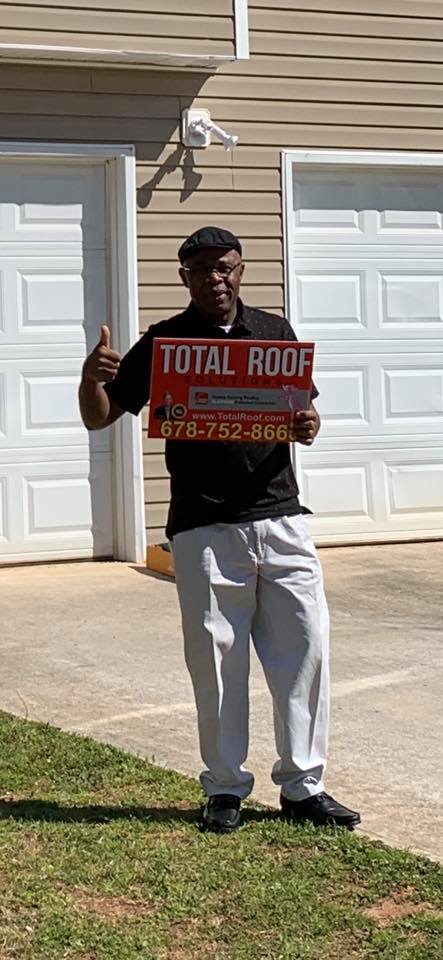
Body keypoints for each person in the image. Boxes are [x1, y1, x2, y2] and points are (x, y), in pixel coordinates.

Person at [79, 226, 361, 835]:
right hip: (205, 526)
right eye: (202, 268)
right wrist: (91, 378)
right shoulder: (162, 344)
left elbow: (301, 411)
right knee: (215, 661)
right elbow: (100, 419)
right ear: (185, 277)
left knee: (306, 651)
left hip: (281, 516)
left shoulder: (275, 333)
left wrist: (309, 423)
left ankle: (304, 786)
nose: (216, 278)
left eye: (225, 266)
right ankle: (226, 787)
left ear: (241, 269)